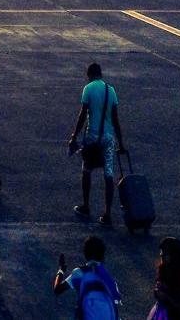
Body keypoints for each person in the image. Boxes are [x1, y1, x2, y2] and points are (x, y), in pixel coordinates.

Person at [67, 63, 125, 226]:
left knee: (87, 169)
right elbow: (115, 119)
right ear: (101, 74)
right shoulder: (111, 90)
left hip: (92, 136)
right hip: (108, 137)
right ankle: (107, 214)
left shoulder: (88, 88)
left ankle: (86, 206)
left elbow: (83, 114)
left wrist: (74, 136)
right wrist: (120, 142)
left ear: (89, 75)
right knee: (108, 173)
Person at [53, 236, 122, 320]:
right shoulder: (108, 277)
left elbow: (57, 289)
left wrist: (61, 270)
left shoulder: (78, 273)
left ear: (85, 254)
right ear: (103, 256)